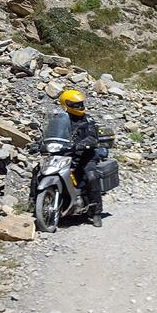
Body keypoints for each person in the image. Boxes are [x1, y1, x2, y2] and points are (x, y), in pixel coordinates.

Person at [58, 89, 103, 228]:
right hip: (64, 154)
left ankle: (96, 212)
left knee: (91, 176)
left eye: (81, 104)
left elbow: (92, 137)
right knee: (40, 171)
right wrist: (39, 144)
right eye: (76, 104)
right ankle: (34, 202)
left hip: (85, 156)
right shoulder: (59, 119)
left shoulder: (88, 120)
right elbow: (51, 133)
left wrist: (83, 144)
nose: (80, 107)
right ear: (66, 104)